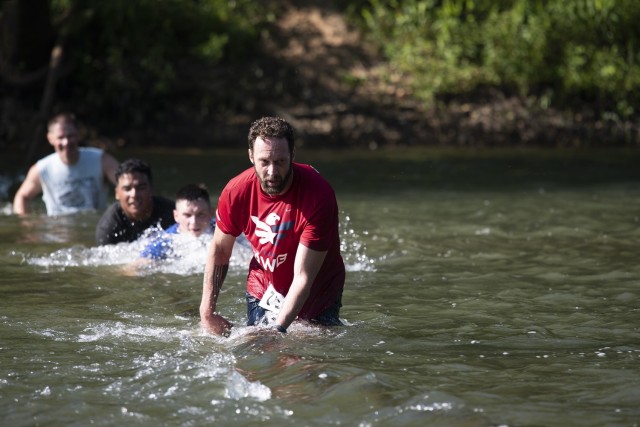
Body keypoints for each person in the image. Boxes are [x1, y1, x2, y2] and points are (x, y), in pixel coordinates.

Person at [199, 116, 345, 336]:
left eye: (280, 162)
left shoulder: (318, 196)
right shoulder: (236, 191)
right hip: (265, 285)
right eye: (264, 162)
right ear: (251, 156)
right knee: (260, 356)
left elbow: (303, 277)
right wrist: (207, 312)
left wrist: (278, 330)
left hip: (318, 290)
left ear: (292, 156)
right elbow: (220, 251)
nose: (272, 172)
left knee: (306, 356)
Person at [12, 113, 119, 216]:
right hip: (58, 230)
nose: (66, 142)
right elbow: (22, 196)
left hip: (93, 227)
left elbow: (125, 183)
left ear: (78, 135)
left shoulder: (101, 160)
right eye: (60, 137)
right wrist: (26, 224)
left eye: (70, 136)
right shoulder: (42, 169)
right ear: (50, 138)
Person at [95, 158, 175, 245]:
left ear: (152, 189)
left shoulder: (173, 214)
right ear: (117, 193)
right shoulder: (108, 228)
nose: (134, 195)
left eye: (141, 188)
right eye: (127, 189)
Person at [139, 183, 215, 260]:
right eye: (187, 215)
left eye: (200, 214)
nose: (194, 222)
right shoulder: (165, 242)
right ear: (176, 216)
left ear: (211, 213)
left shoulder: (222, 229)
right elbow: (134, 267)